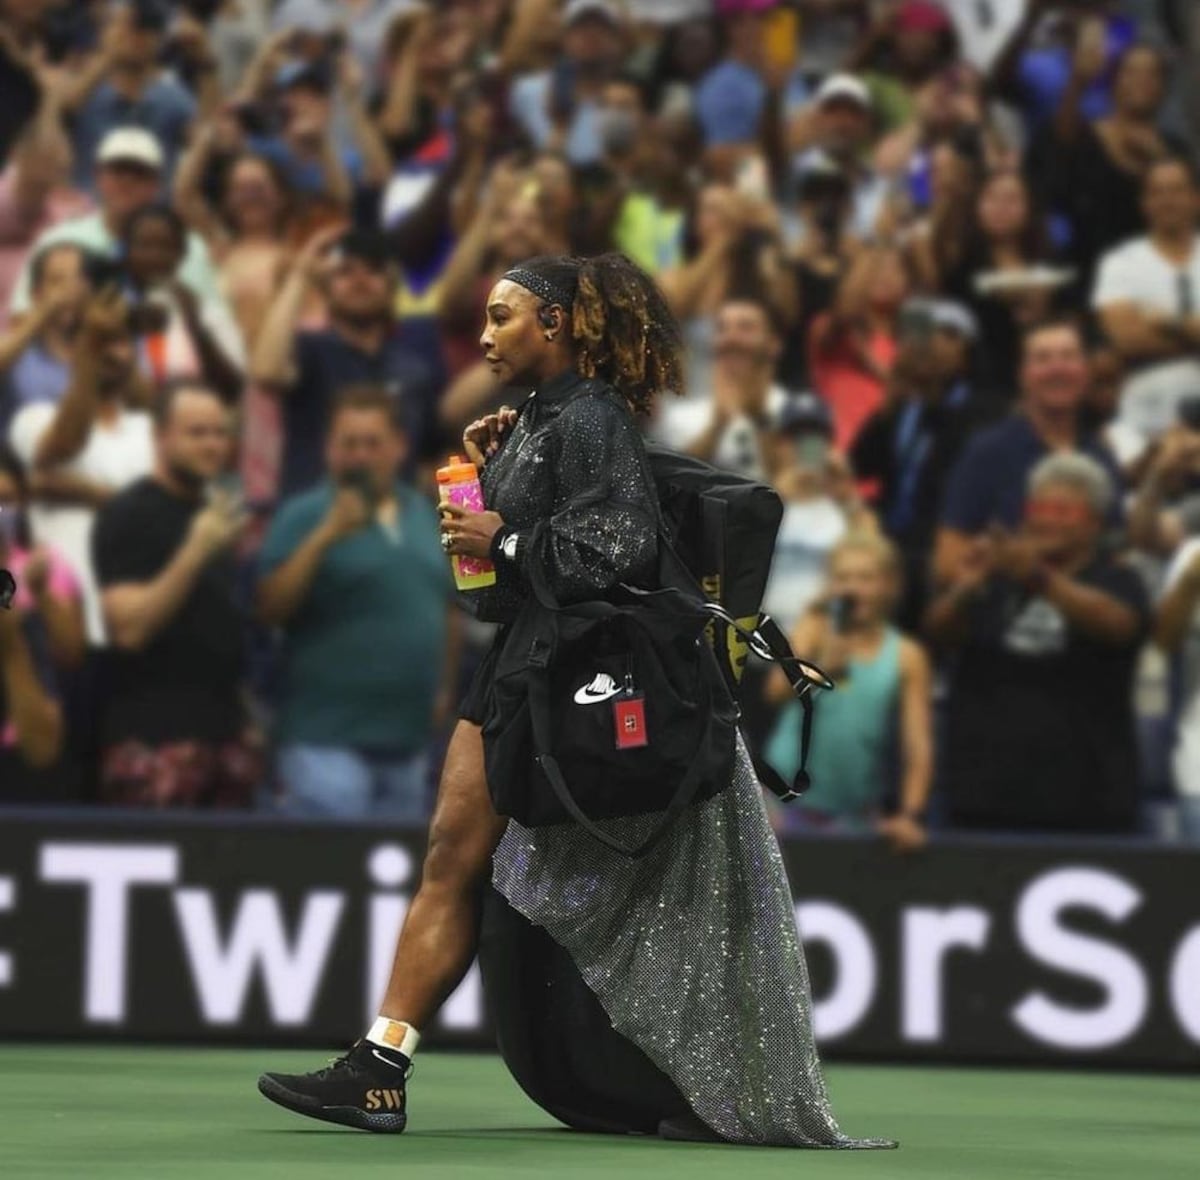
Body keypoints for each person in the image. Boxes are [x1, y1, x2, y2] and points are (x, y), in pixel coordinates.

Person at [257, 253, 893, 1151]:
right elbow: (487, 594)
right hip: (524, 664)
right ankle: (380, 1067)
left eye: (504, 315)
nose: (483, 335)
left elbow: (621, 546)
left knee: (475, 859)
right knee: (451, 852)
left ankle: (424, 1068)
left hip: (571, 679)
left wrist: (504, 534)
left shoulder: (589, 417)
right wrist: (484, 491)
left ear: (556, 325)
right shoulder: (533, 423)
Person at [256, 385, 460, 821]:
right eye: (349, 443)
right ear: (329, 448)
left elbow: (447, 607)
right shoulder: (305, 514)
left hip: (407, 744)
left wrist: (442, 688)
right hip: (323, 741)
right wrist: (324, 536)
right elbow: (270, 606)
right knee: (330, 873)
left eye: (373, 443)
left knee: (394, 880)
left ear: (399, 447)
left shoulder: (425, 514)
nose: (360, 456)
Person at [926, 452, 1149, 834]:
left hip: (1087, 800)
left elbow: (1117, 624)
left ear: (1095, 523)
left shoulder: (1117, 577)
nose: (1047, 519)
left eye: (1065, 511)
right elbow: (938, 632)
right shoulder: (998, 574)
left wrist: (1036, 576)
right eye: (1040, 507)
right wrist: (968, 585)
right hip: (983, 792)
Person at [91, 380, 257, 808]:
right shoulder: (131, 514)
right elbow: (128, 630)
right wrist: (195, 552)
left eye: (219, 433)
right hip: (153, 743)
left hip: (223, 738)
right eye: (197, 433)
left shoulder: (213, 513)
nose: (212, 445)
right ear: (161, 436)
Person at [763, 531, 932, 851]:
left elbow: (917, 745)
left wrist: (910, 815)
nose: (853, 588)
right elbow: (774, 692)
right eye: (843, 577)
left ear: (889, 585)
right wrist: (823, 662)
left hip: (854, 817)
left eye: (866, 578)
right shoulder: (813, 628)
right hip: (783, 808)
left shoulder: (907, 655)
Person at [6, 287, 155, 646]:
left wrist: (91, 494)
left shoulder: (151, 429)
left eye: (118, 342)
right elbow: (64, 444)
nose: (108, 351)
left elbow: (168, 510)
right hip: (71, 627)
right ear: (75, 352)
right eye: (96, 342)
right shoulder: (34, 417)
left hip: (147, 623)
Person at [251, 225, 442, 499]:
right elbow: (266, 371)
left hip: (393, 524)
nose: (359, 279)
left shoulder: (415, 369)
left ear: (391, 287)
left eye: (373, 269)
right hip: (313, 520)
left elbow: (427, 458)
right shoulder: (310, 350)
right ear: (327, 289)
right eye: (345, 271)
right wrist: (301, 275)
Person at [933, 317, 1123, 587]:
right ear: (1022, 375)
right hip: (1002, 612)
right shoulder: (988, 452)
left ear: (1085, 372)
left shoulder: (1102, 456)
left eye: (1069, 357)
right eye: (1043, 359)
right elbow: (946, 564)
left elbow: (1115, 554)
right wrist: (1007, 563)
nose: (1058, 369)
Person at [7, 127, 226, 321]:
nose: (127, 180)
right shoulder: (59, 240)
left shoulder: (191, 247)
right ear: (98, 177)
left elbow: (213, 319)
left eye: (139, 173)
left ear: (157, 184)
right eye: (118, 170)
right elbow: (21, 314)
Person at [1092, 156, 1200, 471]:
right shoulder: (1121, 263)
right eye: (1158, 192)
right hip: (1146, 414)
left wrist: (1169, 322)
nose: (1168, 200)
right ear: (1144, 203)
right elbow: (1127, 341)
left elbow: (1145, 338)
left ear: (1196, 198)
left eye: (1177, 190)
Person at [117, 204, 245, 402]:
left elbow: (233, 389)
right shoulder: (107, 308)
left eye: (165, 246)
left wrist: (194, 322)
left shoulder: (206, 311)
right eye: (144, 246)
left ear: (182, 252)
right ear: (126, 250)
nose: (154, 256)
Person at [653, 295, 787, 481]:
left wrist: (760, 420)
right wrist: (717, 426)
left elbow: (804, 484)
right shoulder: (681, 416)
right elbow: (674, 485)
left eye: (746, 328)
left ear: (773, 344)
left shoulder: (795, 409)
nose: (731, 337)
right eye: (722, 328)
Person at [0, 243, 92, 434]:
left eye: (78, 280)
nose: (70, 291)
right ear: (36, 293)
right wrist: (44, 312)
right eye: (58, 281)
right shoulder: (18, 347)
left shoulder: (97, 346)